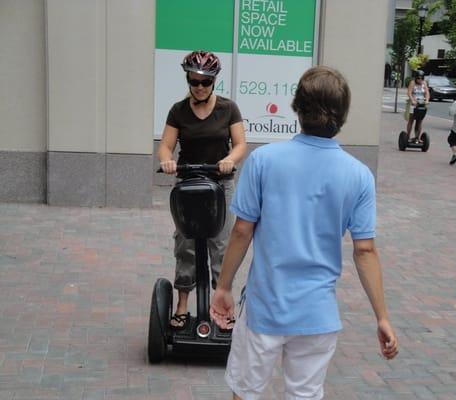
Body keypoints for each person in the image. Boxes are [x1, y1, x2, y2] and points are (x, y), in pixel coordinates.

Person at [210, 66, 398, 400]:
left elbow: (241, 231)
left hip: (264, 308)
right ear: (342, 115)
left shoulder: (264, 160)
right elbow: (365, 251)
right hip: (317, 315)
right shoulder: (359, 175)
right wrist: (381, 317)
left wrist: (223, 286)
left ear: (297, 107)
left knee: (246, 393)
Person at [157, 50, 246, 329]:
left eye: (205, 82)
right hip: (187, 182)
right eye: (194, 81)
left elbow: (241, 144)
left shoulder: (228, 108)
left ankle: (220, 303)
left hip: (220, 183)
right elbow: (165, 145)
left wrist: (229, 160)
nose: (199, 87)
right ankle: (183, 303)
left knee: (220, 245)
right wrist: (167, 161)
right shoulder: (178, 110)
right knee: (185, 244)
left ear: (213, 82)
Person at [405, 70, 430, 143]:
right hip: (414, 104)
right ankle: (408, 136)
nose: (420, 80)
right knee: (411, 120)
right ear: (416, 78)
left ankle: (417, 137)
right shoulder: (412, 83)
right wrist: (412, 100)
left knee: (420, 121)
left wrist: (427, 100)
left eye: (422, 78)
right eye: (418, 78)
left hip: (422, 103)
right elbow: (409, 93)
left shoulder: (424, 83)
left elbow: (427, 93)